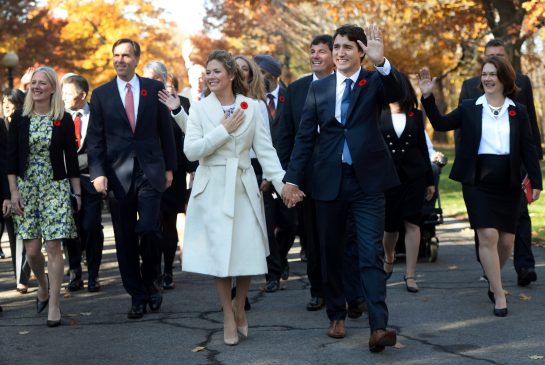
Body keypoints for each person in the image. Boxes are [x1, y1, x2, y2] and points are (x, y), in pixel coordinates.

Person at [283, 24, 403, 352]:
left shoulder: (373, 80)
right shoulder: (319, 89)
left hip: (367, 182)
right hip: (328, 182)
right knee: (330, 251)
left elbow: (399, 94)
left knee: (370, 252)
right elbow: (305, 137)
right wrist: (291, 178)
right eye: (336, 46)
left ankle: (379, 326)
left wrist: (382, 63)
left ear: (361, 52)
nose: (339, 52)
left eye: (348, 47)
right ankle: (336, 314)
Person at [417, 56, 542, 317]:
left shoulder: (518, 110)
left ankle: (492, 274)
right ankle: (498, 294)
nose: (486, 78)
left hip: (508, 183)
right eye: (484, 74)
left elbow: (529, 148)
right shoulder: (469, 107)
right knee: (488, 236)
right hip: (478, 183)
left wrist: (536, 182)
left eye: (492, 74)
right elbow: (440, 123)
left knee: (507, 241)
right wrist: (428, 97)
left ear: (504, 80)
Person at [182, 50, 285, 345]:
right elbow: (191, 152)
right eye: (208, 72)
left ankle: (241, 304)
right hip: (212, 187)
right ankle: (228, 313)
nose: (211, 77)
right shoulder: (200, 109)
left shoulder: (251, 107)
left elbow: (266, 152)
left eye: (217, 71)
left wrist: (282, 184)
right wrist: (223, 131)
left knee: (245, 251)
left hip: (242, 185)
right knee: (220, 256)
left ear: (230, 75)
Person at [87, 39, 177, 319]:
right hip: (117, 174)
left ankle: (150, 280)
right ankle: (137, 295)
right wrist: (98, 173)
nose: (120, 60)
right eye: (116, 55)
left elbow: (166, 132)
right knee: (125, 237)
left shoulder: (154, 89)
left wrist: (170, 167)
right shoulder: (101, 94)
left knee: (150, 228)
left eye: (126, 55)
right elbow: (95, 139)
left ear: (137, 58)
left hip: (150, 170)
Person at [458, 39, 542, 287]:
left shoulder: (522, 82)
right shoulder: (470, 86)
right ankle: (488, 264)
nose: (496, 58)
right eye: (490, 55)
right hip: (481, 167)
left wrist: (535, 160)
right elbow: (460, 126)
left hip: (516, 161)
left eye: (500, 55)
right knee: (485, 225)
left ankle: (524, 265)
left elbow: (530, 123)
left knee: (520, 217)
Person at [7, 66, 81, 327]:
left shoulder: (62, 118)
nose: (36, 87)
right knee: (32, 250)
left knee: (53, 246)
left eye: (42, 83)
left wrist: (77, 192)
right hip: (27, 188)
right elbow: (11, 158)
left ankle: (54, 304)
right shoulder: (20, 117)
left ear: (52, 88)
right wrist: (13, 191)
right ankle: (42, 285)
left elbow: (71, 158)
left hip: (55, 187)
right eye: (33, 83)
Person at [279, 34, 335, 311]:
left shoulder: (345, 86)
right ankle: (318, 290)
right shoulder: (296, 90)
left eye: (321, 51)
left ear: (333, 56)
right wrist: (289, 178)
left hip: (340, 174)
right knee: (312, 236)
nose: (314, 56)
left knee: (339, 236)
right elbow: (286, 135)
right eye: (312, 51)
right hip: (308, 178)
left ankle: (345, 288)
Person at [379, 72, 435, 292]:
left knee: (413, 223)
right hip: (388, 178)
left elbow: (422, 148)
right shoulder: (378, 113)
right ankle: (389, 256)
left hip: (414, 177)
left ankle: (410, 275)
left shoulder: (415, 114)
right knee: (390, 227)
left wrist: (430, 181)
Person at [143, 61, 191, 290]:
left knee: (169, 222)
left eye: (154, 78)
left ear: (163, 80)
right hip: (147, 171)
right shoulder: (140, 102)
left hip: (175, 169)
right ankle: (152, 270)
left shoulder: (182, 103)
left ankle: (168, 270)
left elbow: (188, 134)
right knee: (149, 224)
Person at [252, 54, 298, 292]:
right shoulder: (249, 100)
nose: (259, 78)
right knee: (267, 225)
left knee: (290, 223)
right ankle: (273, 274)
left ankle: (279, 258)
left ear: (275, 76)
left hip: (286, 171)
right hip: (259, 171)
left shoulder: (290, 97)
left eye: (263, 74)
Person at [61, 74, 104, 293]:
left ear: (82, 95)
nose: (64, 97)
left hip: (91, 179)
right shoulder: (58, 117)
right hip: (66, 180)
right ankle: (75, 273)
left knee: (91, 226)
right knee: (72, 229)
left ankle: (94, 275)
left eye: (68, 93)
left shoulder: (97, 114)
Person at [1, 88, 31, 294]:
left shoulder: (25, 123)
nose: (7, 106)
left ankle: (22, 277)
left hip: (23, 186)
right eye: (4, 102)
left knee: (21, 234)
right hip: (4, 187)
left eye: (11, 102)